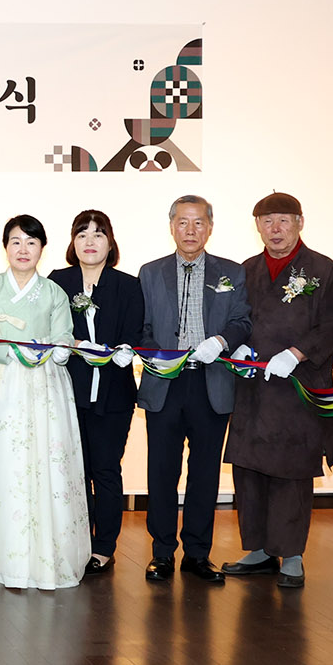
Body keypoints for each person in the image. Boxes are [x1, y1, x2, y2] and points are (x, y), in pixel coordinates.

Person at [0, 215, 90, 589]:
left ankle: (39, 559)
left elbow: (63, 334)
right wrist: (6, 352)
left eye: (31, 242)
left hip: (42, 384)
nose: (23, 249)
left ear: (42, 248)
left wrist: (59, 349)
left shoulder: (54, 292)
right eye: (15, 242)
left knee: (39, 461)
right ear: (5, 247)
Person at [220, 193, 333, 588]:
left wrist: (296, 354)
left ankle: (291, 554)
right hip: (252, 387)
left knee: (292, 471)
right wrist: (235, 345)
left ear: (300, 223)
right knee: (249, 470)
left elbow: (332, 324)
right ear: (257, 225)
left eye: (284, 220)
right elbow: (236, 317)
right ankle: (258, 549)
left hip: (297, 386)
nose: (275, 229)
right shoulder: (246, 269)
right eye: (267, 221)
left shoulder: (323, 269)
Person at [136, 195, 249, 584]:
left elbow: (242, 320)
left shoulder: (231, 272)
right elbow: (141, 327)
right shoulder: (150, 272)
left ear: (210, 227)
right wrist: (157, 354)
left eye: (198, 222)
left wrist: (221, 341)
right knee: (161, 471)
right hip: (165, 382)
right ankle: (162, 552)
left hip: (210, 381)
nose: (190, 230)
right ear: (171, 227)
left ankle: (198, 554)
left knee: (204, 473)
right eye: (182, 222)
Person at [49, 209, 142, 575]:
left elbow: (135, 333)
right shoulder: (58, 281)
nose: (90, 241)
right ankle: (77, 541)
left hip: (113, 395)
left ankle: (103, 546)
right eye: (82, 234)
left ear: (110, 242)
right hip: (68, 392)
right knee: (74, 471)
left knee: (105, 469)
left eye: (98, 234)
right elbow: (50, 327)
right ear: (73, 242)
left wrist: (125, 349)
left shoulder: (127, 285)